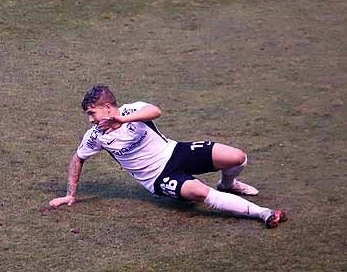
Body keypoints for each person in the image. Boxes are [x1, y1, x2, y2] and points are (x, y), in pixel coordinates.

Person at [49, 84, 287, 228]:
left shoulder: (132, 110)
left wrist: (123, 119)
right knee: (199, 193)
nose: (90, 120)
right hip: (158, 178)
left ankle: (228, 184)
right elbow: (77, 158)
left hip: (176, 152)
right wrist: (70, 195)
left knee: (237, 157)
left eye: (92, 113)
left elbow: (156, 111)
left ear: (108, 108)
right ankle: (263, 213)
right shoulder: (95, 136)